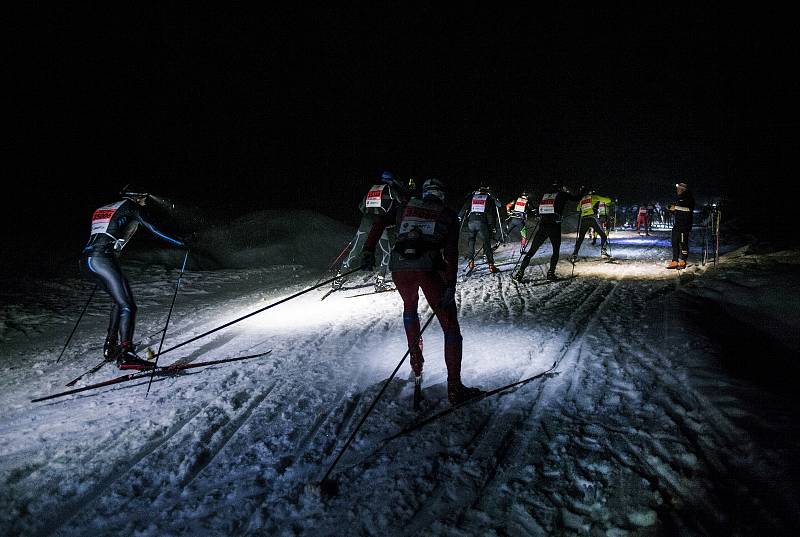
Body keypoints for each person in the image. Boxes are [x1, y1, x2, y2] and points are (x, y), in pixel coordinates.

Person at [361, 178, 484, 405]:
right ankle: (455, 389)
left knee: (410, 309)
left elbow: (379, 221)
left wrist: (368, 250)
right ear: (442, 194)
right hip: (427, 268)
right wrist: (450, 285)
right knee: (450, 326)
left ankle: (416, 365)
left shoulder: (405, 206)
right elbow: (451, 254)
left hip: (399, 268)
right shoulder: (447, 215)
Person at [80, 186, 185, 369]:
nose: (145, 199)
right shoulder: (131, 207)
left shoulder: (104, 208)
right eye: (143, 196)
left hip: (86, 260)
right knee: (128, 305)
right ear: (135, 196)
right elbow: (154, 228)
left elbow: (107, 232)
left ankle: (110, 346)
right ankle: (126, 354)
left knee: (119, 302)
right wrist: (181, 241)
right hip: (102, 259)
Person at [334, 171, 409, 292]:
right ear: (391, 180)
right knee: (387, 253)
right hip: (378, 224)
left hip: (365, 222)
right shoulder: (390, 189)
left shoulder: (372, 188)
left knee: (355, 251)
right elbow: (403, 201)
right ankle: (380, 282)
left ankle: (338, 278)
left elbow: (361, 207)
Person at [511, 183, 583, 282]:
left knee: (532, 250)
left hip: (543, 226)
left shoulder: (545, 195)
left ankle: (520, 273)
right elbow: (577, 198)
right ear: (560, 188)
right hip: (554, 226)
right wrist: (582, 191)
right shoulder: (562, 194)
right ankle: (550, 273)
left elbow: (537, 209)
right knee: (555, 250)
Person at [458, 185, 499, 273]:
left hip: (471, 222)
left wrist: (459, 217)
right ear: (487, 191)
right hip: (482, 223)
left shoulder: (473, 197)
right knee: (486, 243)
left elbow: (464, 207)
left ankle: (471, 262)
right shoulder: (488, 198)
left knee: (471, 241)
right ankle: (491, 265)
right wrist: (493, 227)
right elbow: (494, 212)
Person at [571, 191, 612, 261]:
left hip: (584, 219)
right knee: (603, 235)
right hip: (593, 218)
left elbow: (578, 209)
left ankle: (574, 254)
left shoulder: (582, 199)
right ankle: (603, 252)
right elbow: (609, 200)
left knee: (580, 238)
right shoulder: (594, 197)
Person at [667, 182, 695, 269]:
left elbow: (689, 209)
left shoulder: (689, 198)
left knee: (683, 243)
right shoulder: (679, 199)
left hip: (685, 225)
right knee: (674, 242)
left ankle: (683, 260)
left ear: (683, 189)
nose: (677, 190)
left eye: (678, 189)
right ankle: (675, 261)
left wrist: (675, 207)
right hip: (677, 224)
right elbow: (679, 210)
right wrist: (671, 210)